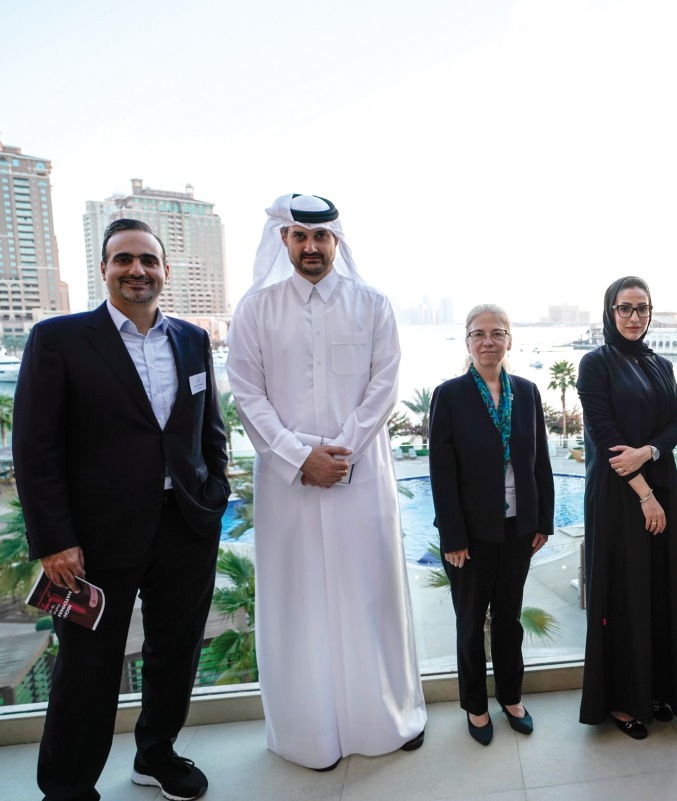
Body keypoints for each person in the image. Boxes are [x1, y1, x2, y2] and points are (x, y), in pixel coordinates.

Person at [14, 218, 230, 801]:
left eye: (148, 261)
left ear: (164, 270)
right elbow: (35, 449)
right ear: (104, 268)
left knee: (176, 651)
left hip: (185, 524)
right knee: (87, 667)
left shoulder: (191, 339)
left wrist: (215, 492)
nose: (137, 270)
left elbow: (209, 427)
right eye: (123, 260)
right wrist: (53, 540)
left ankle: (156, 755)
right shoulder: (58, 339)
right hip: (93, 541)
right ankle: (66, 787)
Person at [226, 194, 426, 770]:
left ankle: (386, 717)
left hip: (360, 479)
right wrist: (298, 457)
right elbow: (247, 394)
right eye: (298, 237)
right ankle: (308, 733)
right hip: (287, 485)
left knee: (370, 595)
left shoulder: (373, 305)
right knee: (298, 603)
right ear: (283, 241)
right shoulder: (256, 309)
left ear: (336, 241)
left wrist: (339, 455)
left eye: (321, 237)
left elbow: (384, 388)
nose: (310, 247)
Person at [429, 304, 555, 746]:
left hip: (518, 530)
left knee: (509, 620)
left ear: (509, 341)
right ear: (467, 341)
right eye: (479, 333)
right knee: (469, 624)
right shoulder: (450, 395)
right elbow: (441, 473)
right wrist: (453, 537)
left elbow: (540, 461)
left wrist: (543, 520)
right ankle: (476, 706)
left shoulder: (527, 391)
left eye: (497, 333)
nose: (488, 341)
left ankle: (511, 697)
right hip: (471, 536)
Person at [578, 276, 677, 740]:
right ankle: (625, 701)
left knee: (658, 589)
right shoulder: (595, 365)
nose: (633, 317)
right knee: (624, 593)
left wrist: (648, 453)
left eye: (641, 309)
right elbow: (606, 438)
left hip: (658, 488)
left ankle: (659, 688)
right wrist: (644, 493)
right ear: (610, 312)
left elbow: (676, 422)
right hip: (619, 496)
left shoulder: (660, 364)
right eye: (624, 309)